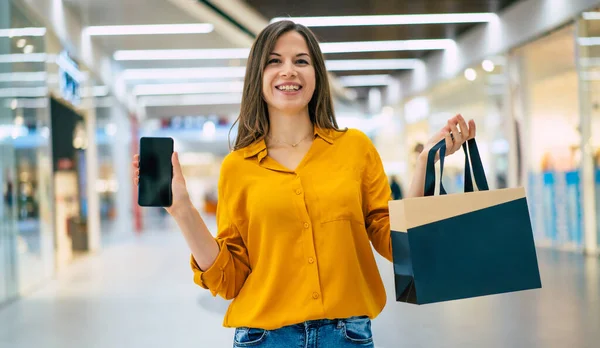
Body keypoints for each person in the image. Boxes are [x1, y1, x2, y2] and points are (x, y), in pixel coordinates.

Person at [132, 20, 476, 348]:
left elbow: (399, 243)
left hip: (348, 336)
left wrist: (423, 165)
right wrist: (182, 211)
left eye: (301, 61)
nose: (289, 71)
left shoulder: (354, 148)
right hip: (264, 338)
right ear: (258, 77)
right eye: (274, 61)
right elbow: (231, 278)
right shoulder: (237, 167)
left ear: (317, 75)